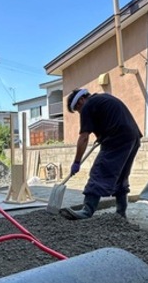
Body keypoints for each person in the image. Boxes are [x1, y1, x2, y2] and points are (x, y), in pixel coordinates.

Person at [61, 88, 142, 220]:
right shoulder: (103, 98)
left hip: (117, 139)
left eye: (77, 108)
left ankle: (87, 210)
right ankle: (121, 213)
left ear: (82, 100)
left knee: (99, 171)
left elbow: (84, 138)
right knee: (121, 176)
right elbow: (111, 119)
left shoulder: (88, 105)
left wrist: (76, 162)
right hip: (133, 138)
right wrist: (102, 135)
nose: (80, 112)